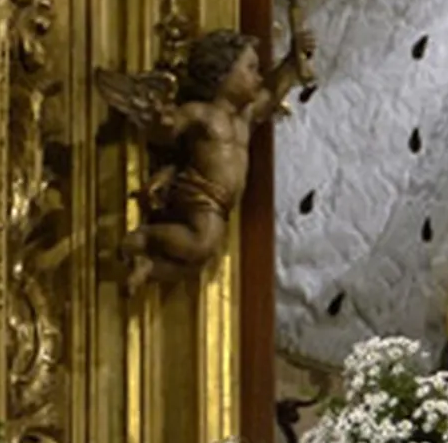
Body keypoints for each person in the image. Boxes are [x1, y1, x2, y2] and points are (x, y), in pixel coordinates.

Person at [102, 27, 314, 292]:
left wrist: (292, 60)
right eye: (250, 68)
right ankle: (146, 237)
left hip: (222, 203)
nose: (258, 77)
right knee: (201, 244)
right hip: (199, 190)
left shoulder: (246, 116)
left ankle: (149, 267)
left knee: (199, 263)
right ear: (221, 74)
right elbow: (167, 132)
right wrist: (162, 121)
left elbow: (272, 92)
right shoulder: (201, 113)